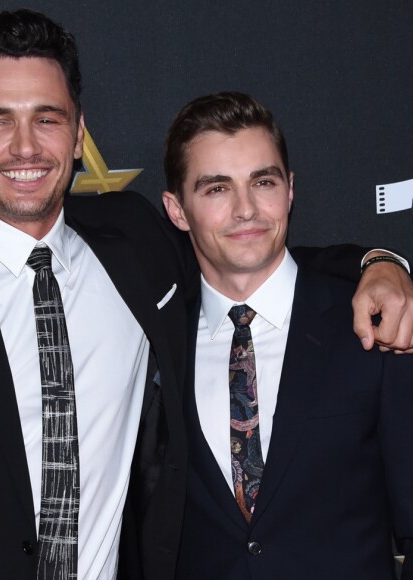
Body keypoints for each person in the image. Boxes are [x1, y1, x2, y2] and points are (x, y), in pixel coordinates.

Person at [0, 10, 411, 580]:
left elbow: (247, 252)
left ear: (79, 131)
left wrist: (380, 263)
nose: (26, 147)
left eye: (48, 118)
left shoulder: (131, 244)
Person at [162, 91, 413, 579]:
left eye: (263, 182)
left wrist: (385, 262)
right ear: (176, 210)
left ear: (290, 189)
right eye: (217, 189)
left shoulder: (375, 326)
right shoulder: (157, 340)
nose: (246, 209)